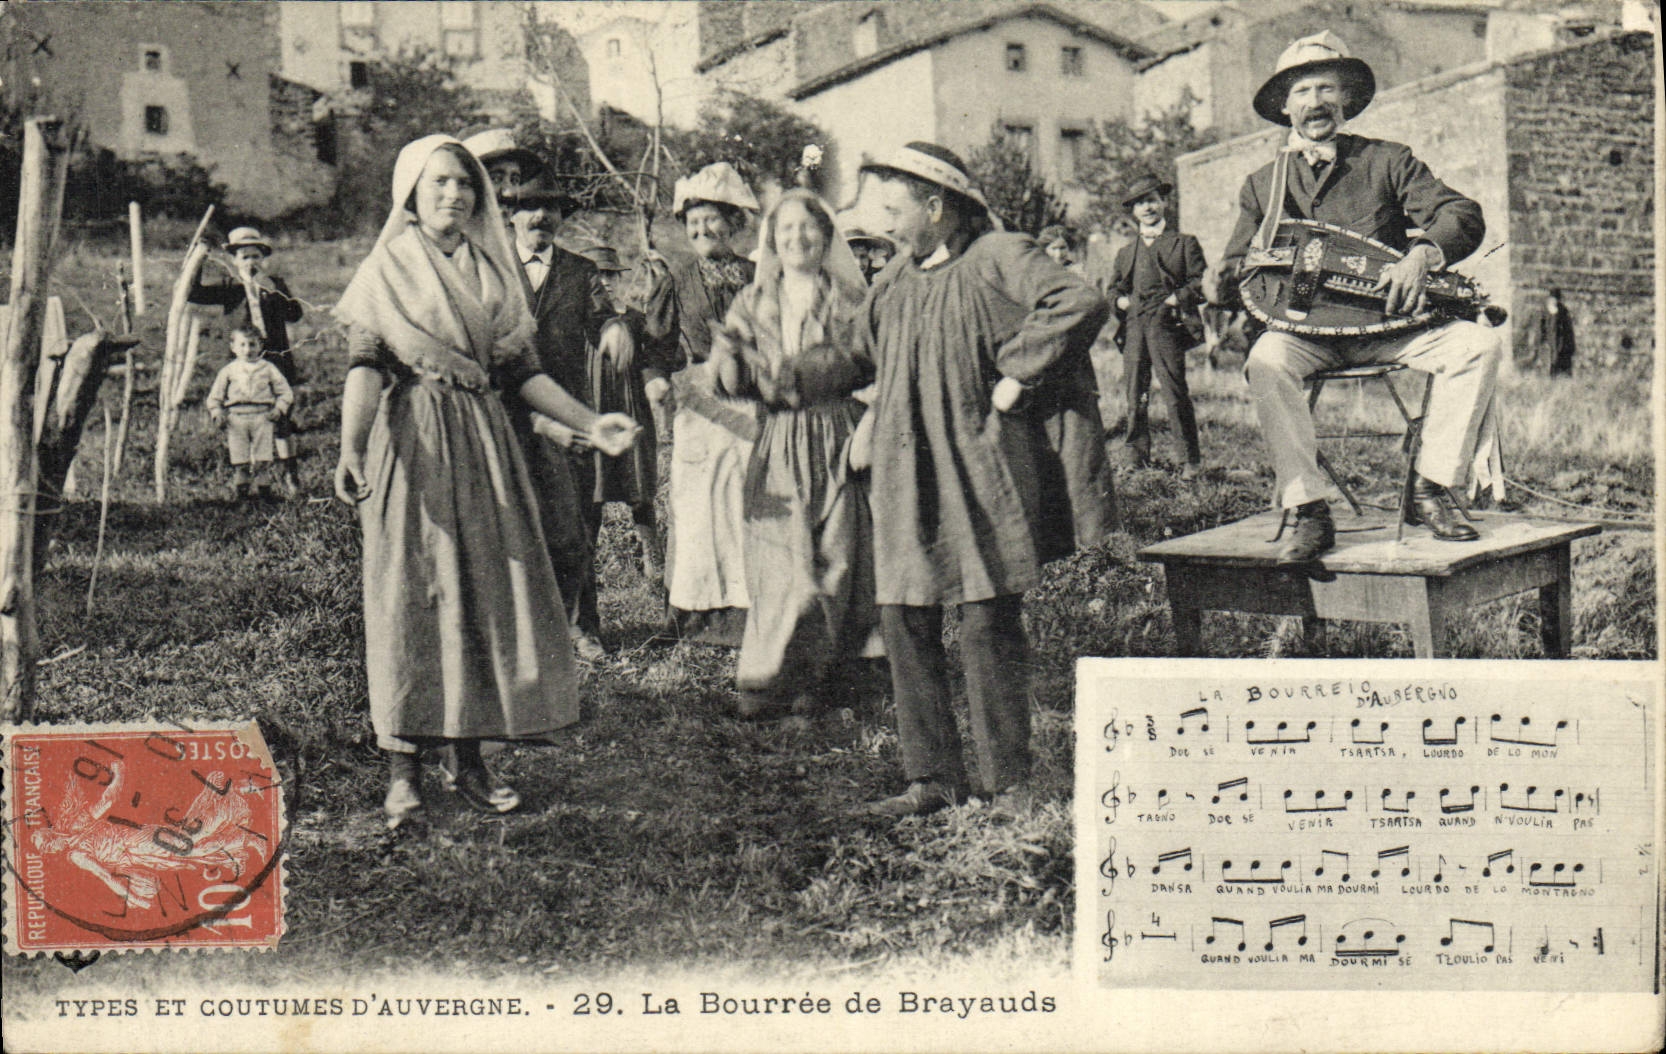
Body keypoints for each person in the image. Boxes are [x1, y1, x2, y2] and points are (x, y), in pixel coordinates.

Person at [333, 135, 638, 829]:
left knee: (481, 596)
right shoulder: (390, 268)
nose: (455, 195)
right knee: (413, 595)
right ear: (409, 192)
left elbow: (521, 375)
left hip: (485, 442)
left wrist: (593, 424)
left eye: (465, 185)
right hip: (414, 440)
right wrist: (352, 447)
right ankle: (404, 767)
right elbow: (366, 364)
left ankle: (469, 759)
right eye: (439, 183)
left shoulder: (492, 273)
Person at [852, 142, 1109, 816]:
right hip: (907, 471)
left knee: (984, 616)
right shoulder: (892, 281)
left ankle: (1009, 783)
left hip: (981, 465)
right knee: (904, 613)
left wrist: (1016, 374)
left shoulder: (996, 256)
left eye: (894, 208)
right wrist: (775, 376)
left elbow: (1077, 300)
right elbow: (852, 353)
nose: (885, 224)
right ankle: (930, 778)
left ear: (936, 207)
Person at [1220, 32, 1500, 565]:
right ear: (1285, 107)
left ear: (1346, 100)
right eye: (1302, 91)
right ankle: (1308, 508)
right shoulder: (1263, 185)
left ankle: (1431, 487)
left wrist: (1422, 257)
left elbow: (1462, 214)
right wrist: (1247, 272)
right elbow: (1231, 268)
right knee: (1266, 360)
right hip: (1305, 336)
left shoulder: (1387, 160)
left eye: (1327, 88)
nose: (1316, 102)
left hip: (1392, 329)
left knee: (1477, 346)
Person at [710, 189, 881, 720]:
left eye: (808, 229)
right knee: (779, 559)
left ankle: (824, 680)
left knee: (836, 557)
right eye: (785, 232)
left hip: (836, 433)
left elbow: (878, 365)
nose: (797, 240)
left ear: (826, 238)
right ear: (771, 242)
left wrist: (867, 424)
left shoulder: (852, 299)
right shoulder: (751, 302)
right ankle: (770, 679)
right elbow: (728, 384)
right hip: (779, 438)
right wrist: (732, 359)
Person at [644, 162, 761, 645]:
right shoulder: (677, 281)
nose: (701, 230)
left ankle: (752, 613)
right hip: (699, 403)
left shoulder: (761, 277)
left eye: (711, 220)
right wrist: (655, 380)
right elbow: (656, 347)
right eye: (692, 224)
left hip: (756, 403)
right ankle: (696, 618)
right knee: (699, 506)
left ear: (734, 222)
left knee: (748, 504)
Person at [501, 169, 612, 662]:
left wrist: (617, 329)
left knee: (576, 525)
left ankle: (581, 627)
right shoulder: (491, 266)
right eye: (529, 205)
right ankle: (519, 633)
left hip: (569, 412)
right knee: (509, 522)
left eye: (552, 207)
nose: (541, 215)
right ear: (510, 213)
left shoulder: (582, 270)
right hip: (503, 411)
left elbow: (605, 315)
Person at [579, 243, 674, 582]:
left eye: (610, 275)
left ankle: (653, 561)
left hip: (631, 409)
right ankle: (586, 568)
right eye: (597, 276)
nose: (605, 282)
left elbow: (658, 355)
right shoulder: (582, 322)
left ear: (619, 280)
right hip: (594, 412)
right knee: (591, 491)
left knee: (639, 490)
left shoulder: (635, 319)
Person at [190, 226, 305, 497]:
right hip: (241, 364)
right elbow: (193, 293)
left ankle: (291, 475)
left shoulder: (273, 283)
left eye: (256, 256)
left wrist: (274, 291)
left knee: (281, 417)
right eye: (244, 257)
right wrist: (198, 259)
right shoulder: (229, 287)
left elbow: (295, 314)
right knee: (242, 418)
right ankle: (246, 482)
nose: (251, 262)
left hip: (275, 359)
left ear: (262, 259)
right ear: (234, 260)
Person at [1108, 174, 1207, 478]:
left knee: (1174, 389)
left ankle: (1188, 460)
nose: (1147, 207)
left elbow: (1199, 282)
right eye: (1140, 203)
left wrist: (1175, 301)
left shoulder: (1184, 243)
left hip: (1167, 323)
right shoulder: (1126, 252)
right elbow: (1113, 291)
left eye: (1152, 200)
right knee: (1134, 390)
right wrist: (1123, 303)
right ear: (1133, 212)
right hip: (1136, 323)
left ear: (1164, 203)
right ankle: (1135, 455)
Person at [206, 326, 293, 500]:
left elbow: (285, 392)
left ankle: (265, 498)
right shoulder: (229, 370)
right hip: (236, 418)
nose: (247, 350)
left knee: (263, 460)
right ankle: (242, 499)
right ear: (233, 347)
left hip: (262, 417)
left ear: (260, 346)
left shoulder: (267, 368)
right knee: (240, 462)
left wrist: (278, 409)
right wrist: (217, 413)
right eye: (242, 345)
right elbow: (214, 397)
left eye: (252, 344)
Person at [1519, 286, 1577, 377]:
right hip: (1548, 345)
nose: (1554, 301)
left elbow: (1569, 330)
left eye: (1556, 299)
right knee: (1549, 367)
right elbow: (1540, 329)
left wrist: (1571, 346)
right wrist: (1538, 344)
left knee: (1563, 370)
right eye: (1552, 299)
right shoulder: (1544, 311)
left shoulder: (1563, 311)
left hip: (1562, 345)